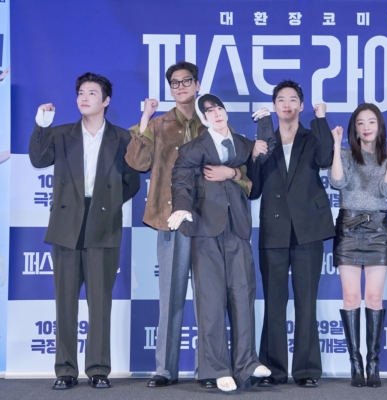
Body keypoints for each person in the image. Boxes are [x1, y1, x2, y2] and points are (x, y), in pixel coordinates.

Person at [125, 61, 251, 389]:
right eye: (175, 83)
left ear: (197, 86)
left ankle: (209, 370)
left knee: (211, 300)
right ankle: (164, 369)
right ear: (171, 89)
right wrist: (144, 119)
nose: (181, 87)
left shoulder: (214, 120)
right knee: (171, 296)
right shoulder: (159, 124)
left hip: (213, 222)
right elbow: (137, 162)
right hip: (173, 220)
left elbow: (242, 168)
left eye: (186, 81)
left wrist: (234, 173)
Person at [29, 72, 140, 390]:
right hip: (67, 223)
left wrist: (108, 201)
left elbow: (132, 181)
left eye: (92, 93)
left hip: (103, 222)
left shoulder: (122, 138)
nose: (84, 97)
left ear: (106, 101)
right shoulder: (61, 134)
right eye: (80, 92)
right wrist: (42, 125)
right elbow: (38, 159)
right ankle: (65, 369)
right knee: (65, 300)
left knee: (100, 302)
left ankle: (98, 369)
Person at [168, 93, 274, 392]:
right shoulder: (192, 149)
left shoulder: (243, 144)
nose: (216, 113)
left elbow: (257, 176)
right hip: (205, 228)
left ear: (225, 111)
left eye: (219, 108)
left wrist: (264, 130)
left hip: (238, 227)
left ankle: (246, 363)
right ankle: (216, 368)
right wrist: (181, 207)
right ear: (203, 119)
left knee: (243, 294)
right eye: (209, 111)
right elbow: (182, 180)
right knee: (211, 300)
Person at [247, 80, 334, 388]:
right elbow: (253, 190)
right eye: (281, 99)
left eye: (293, 99)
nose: (287, 104)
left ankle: (306, 369)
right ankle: (272, 369)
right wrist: (254, 157)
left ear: (301, 105)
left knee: (306, 301)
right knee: (274, 302)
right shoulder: (263, 140)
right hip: (273, 230)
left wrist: (321, 119)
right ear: (274, 106)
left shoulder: (312, 136)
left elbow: (326, 159)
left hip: (308, 228)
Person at [328, 103, 387, 387]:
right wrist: (336, 147)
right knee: (350, 298)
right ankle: (355, 364)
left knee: (373, 298)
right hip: (348, 229)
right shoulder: (345, 155)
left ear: (379, 125)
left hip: (378, 231)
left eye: (371, 121)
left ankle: (373, 364)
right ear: (354, 128)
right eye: (360, 123)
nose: (366, 127)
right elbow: (337, 182)